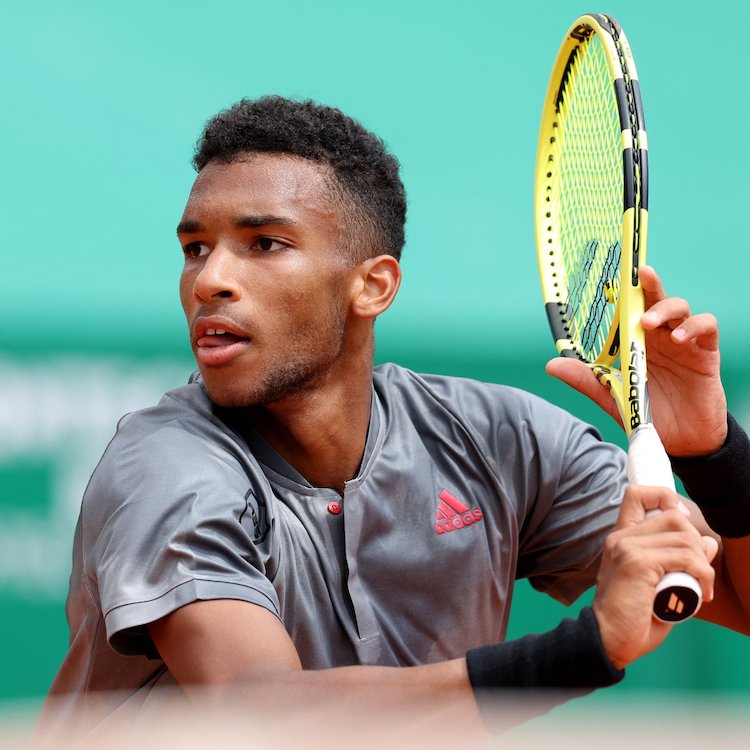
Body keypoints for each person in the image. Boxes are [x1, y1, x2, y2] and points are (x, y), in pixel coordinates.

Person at [38, 96, 750, 745]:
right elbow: (259, 714)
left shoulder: (498, 440)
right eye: (196, 247)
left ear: (372, 285)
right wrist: (588, 645)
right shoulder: (165, 466)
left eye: (264, 244)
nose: (210, 278)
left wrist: (713, 455)